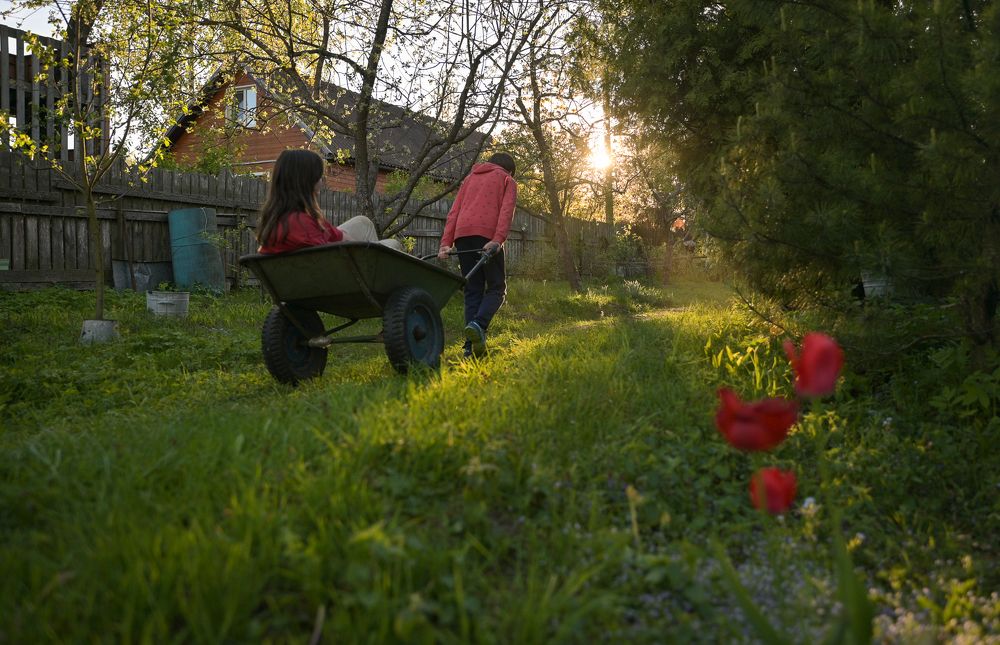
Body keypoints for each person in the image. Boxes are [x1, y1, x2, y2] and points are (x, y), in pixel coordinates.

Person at [437, 152, 517, 358]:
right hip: (487, 236)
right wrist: (498, 239)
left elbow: (454, 211)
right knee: (497, 288)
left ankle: (469, 349)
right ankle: (478, 324)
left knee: (473, 290)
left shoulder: (469, 179)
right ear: (509, 170)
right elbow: (506, 211)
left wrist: (446, 243)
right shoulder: (507, 179)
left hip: (463, 236)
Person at [257, 149, 402, 254]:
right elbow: (333, 256)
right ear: (307, 181)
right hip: (339, 275)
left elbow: (338, 236)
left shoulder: (275, 220)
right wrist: (364, 250)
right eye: (319, 177)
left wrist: (348, 240)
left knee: (362, 222)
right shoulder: (304, 224)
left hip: (315, 266)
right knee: (393, 244)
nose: (322, 182)